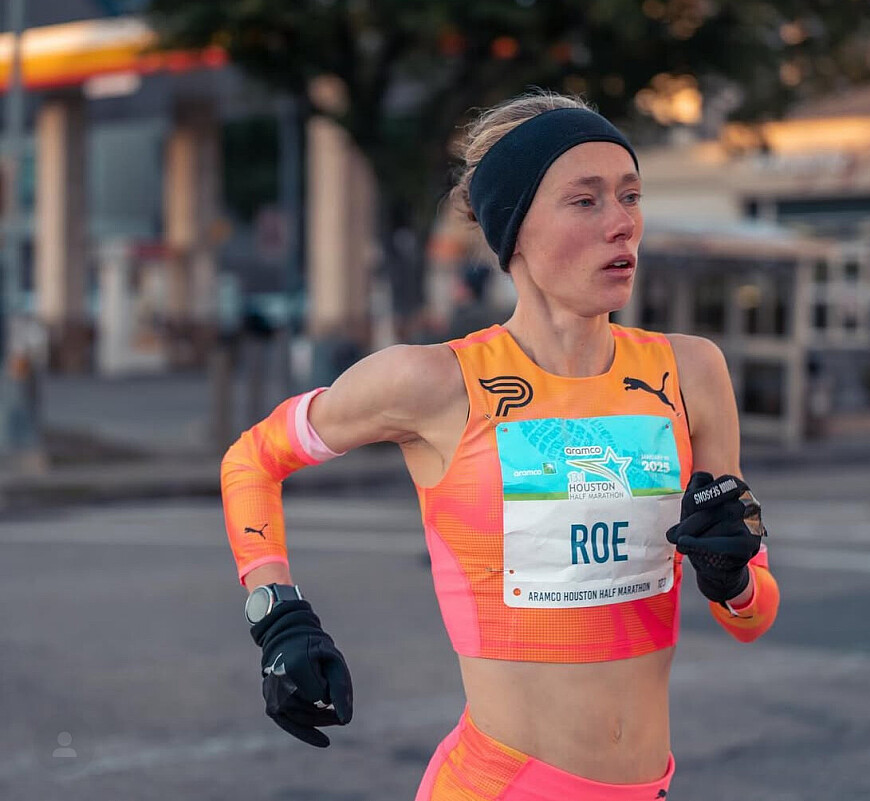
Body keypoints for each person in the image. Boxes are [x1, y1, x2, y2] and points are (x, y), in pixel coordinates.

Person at [221, 90, 780, 799]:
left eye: (630, 195)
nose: (622, 223)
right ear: (515, 230)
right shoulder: (433, 382)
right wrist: (277, 614)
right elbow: (253, 458)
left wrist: (731, 581)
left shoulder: (692, 372)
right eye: (585, 201)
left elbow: (754, 616)